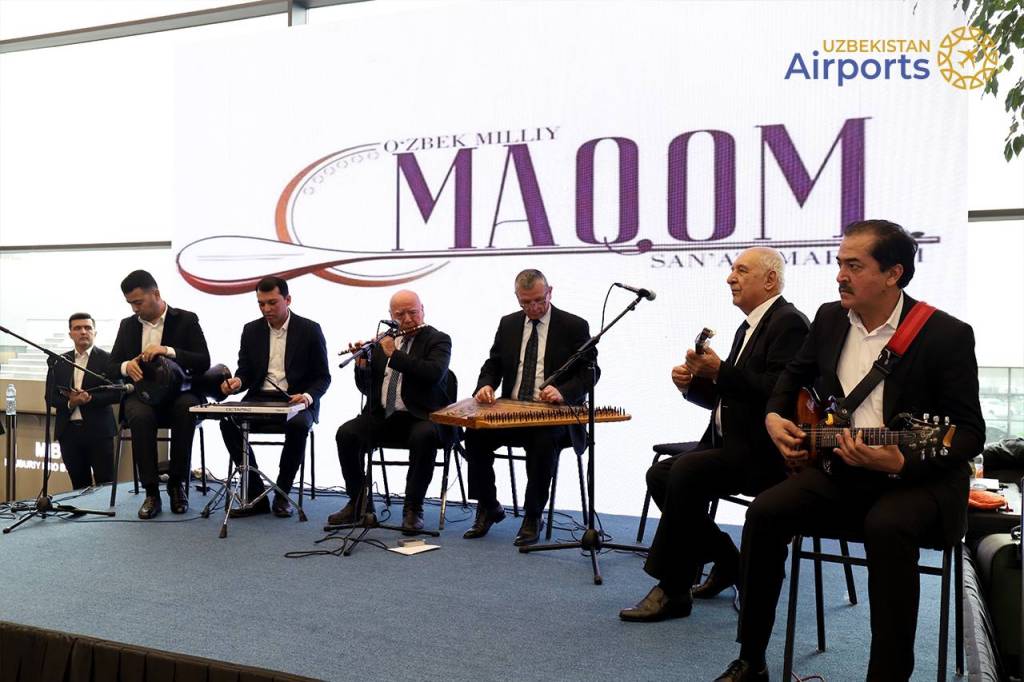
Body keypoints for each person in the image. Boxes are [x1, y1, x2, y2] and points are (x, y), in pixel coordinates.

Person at [714, 220, 985, 682]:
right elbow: (789, 380)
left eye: (854, 266)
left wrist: (902, 459)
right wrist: (774, 417)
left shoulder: (946, 334)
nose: (840, 275)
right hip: (842, 470)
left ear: (893, 274)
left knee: (887, 525)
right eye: (840, 264)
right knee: (764, 512)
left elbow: (969, 433)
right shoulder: (829, 318)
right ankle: (751, 659)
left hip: (918, 481)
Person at [619, 248, 808, 622]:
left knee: (685, 472)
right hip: (729, 445)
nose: (730, 278)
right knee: (661, 475)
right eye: (732, 270)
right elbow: (732, 397)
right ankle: (728, 560)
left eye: (741, 270)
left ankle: (674, 588)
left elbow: (777, 395)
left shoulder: (789, 324)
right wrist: (693, 385)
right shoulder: (748, 326)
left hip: (764, 452)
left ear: (770, 279)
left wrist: (720, 371)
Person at [462, 268, 598, 546]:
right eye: (525, 302)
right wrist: (485, 385)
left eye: (539, 300)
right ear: (517, 298)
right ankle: (489, 506)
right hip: (511, 412)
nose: (533, 307)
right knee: (474, 434)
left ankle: (533, 515)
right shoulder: (509, 323)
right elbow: (493, 364)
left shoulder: (573, 325)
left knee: (542, 442)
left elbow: (590, 372)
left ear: (550, 292)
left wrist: (563, 392)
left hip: (552, 416)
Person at [331, 290, 452, 533]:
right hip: (384, 416)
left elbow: (432, 374)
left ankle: (413, 509)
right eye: (400, 314)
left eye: (413, 312)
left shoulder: (438, 340)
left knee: (424, 436)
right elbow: (368, 388)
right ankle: (359, 503)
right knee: (346, 434)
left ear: (423, 310)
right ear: (390, 316)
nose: (407, 319)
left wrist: (394, 354)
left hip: (422, 416)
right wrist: (362, 366)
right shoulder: (383, 341)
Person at [219, 276, 331, 518]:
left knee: (298, 425)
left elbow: (323, 377)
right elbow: (246, 371)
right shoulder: (251, 330)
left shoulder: (310, 330)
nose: (266, 309)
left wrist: (308, 397)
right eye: (261, 304)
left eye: (272, 303)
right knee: (227, 421)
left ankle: (282, 494)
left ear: (288, 300)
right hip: (259, 397)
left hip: (296, 400)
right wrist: (238, 382)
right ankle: (256, 493)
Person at [108, 270, 211, 519]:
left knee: (186, 408)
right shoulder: (128, 325)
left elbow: (203, 361)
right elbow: (110, 367)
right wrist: (125, 367)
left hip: (180, 392)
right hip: (142, 394)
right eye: (130, 304)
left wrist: (168, 350)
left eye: (138, 302)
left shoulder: (186, 320)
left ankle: (177, 485)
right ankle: (151, 492)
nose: (135, 309)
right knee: (140, 416)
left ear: (155, 294)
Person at [44, 313, 119, 489]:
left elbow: (118, 393)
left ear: (95, 332)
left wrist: (89, 398)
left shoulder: (108, 359)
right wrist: (71, 403)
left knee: (105, 484)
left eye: (87, 328)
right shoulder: (59, 361)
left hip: (99, 432)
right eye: (77, 328)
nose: (83, 332)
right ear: (70, 334)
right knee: (78, 486)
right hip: (68, 432)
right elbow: (50, 397)